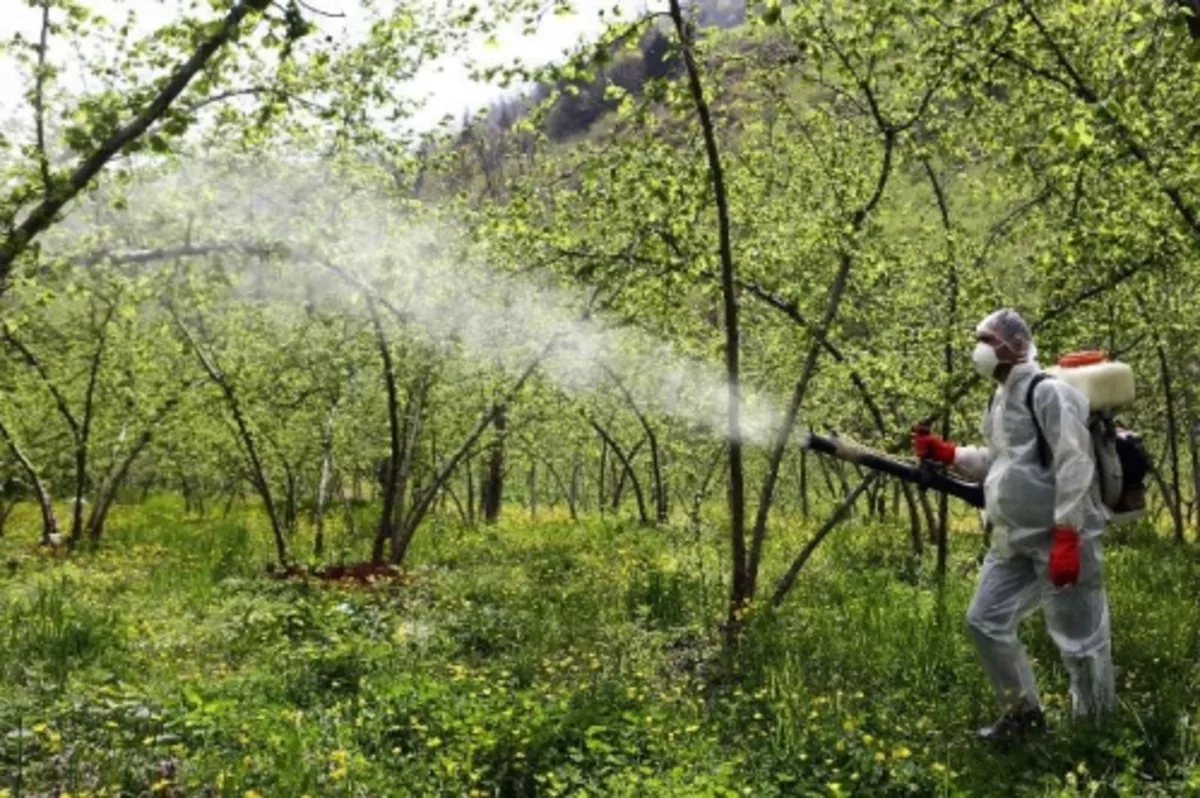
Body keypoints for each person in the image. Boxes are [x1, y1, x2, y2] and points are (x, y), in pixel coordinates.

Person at [912, 308, 1116, 741]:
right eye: (979, 340)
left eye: (989, 341)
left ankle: (1098, 732)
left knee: (1080, 641)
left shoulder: (1048, 392)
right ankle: (1023, 716)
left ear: (1016, 345)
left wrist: (1067, 532)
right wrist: (950, 454)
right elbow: (1004, 464)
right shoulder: (1001, 398)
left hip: (1060, 538)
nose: (980, 350)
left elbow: (1075, 463)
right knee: (984, 621)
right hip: (1012, 540)